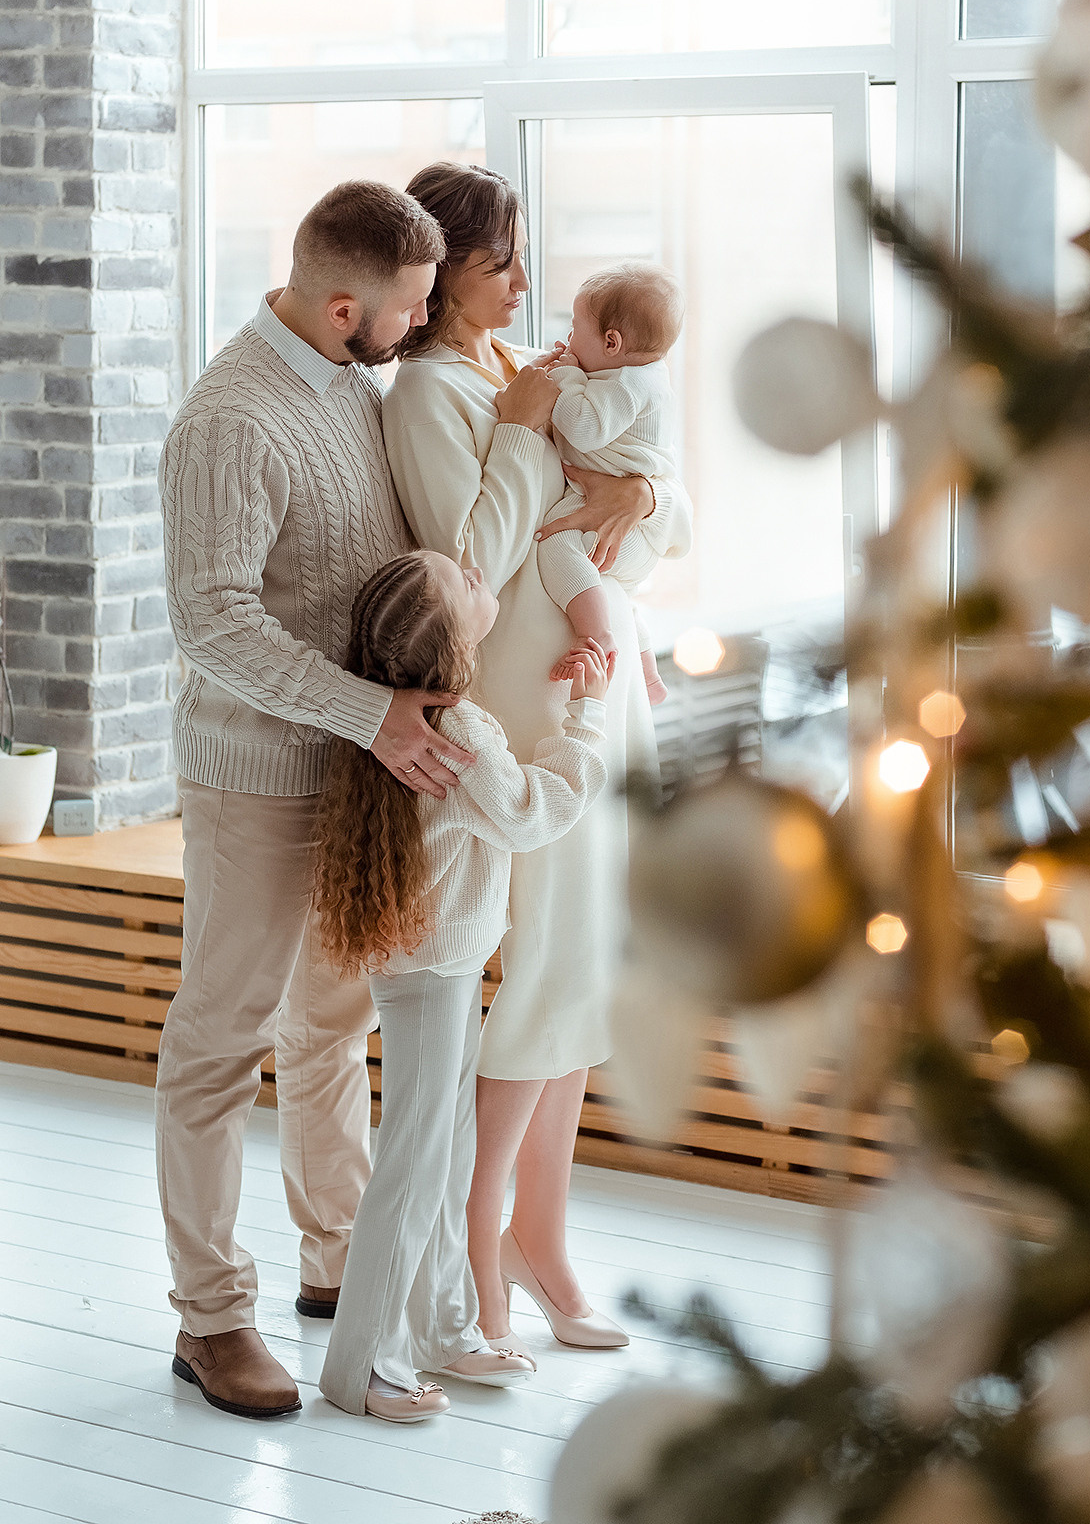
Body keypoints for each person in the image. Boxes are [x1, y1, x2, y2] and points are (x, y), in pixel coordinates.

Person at [155, 180, 476, 1421]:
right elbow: (212, 624)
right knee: (219, 1044)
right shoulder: (230, 419)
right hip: (255, 777)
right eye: (405, 311)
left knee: (330, 1027)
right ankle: (210, 1317)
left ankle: (336, 1262)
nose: (417, 329)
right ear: (342, 304)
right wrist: (369, 716)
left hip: (355, 773)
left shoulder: (355, 382)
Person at [383, 162, 693, 1351]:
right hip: (516, 702)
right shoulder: (428, 395)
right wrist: (531, 454)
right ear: (442, 271)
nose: (523, 281)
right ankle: (477, 1247)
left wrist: (629, 487)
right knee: (543, 974)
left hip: (588, 688)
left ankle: (540, 1238)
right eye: (500, 262)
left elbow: (653, 517)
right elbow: (467, 567)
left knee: (583, 974)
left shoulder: (527, 375)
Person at [313, 551, 612, 1423]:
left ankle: (444, 1327)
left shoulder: (397, 716)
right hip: (437, 964)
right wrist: (585, 718)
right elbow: (530, 815)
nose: (484, 573)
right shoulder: (464, 727)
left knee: (442, 1152)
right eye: (468, 582)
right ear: (453, 638)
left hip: (429, 959)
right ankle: (359, 1364)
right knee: (412, 1159)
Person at [536, 263, 685, 708]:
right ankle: (648, 673)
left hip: (630, 530)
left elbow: (582, 427)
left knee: (556, 542)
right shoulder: (640, 374)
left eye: (575, 327)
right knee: (616, 592)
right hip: (637, 530)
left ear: (611, 343)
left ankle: (596, 635)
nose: (569, 337)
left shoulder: (628, 384)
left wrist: (564, 375)